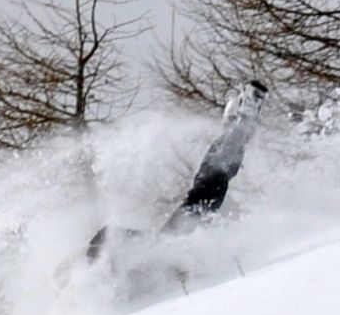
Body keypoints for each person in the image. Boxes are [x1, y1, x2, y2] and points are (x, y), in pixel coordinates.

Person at [87, 80, 268, 262]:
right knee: (213, 181)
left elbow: (110, 239)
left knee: (211, 182)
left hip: (174, 236)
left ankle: (240, 126)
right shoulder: (148, 265)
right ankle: (236, 130)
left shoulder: (150, 252)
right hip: (176, 239)